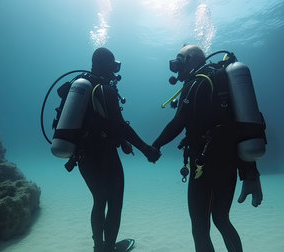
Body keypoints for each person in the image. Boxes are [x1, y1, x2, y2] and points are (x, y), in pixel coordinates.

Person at [152, 45, 263, 252]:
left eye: (179, 61)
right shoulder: (221, 81)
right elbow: (241, 126)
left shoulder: (197, 83)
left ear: (191, 60)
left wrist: (155, 146)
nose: (176, 68)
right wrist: (250, 172)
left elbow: (178, 123)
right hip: (228, 162)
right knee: (221, 219)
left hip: (205, 165)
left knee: (200, 228)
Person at [73, 47, 160, 252]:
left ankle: (99, 247)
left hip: (83, 157)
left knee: (99, 200)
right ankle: (109, 248)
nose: (115, 69)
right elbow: (120, 125)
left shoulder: (81, 86)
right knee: (114, 203)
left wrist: (122, 141)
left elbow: (102, 122)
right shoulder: (105, 89)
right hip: (105, 157)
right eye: (112, 64)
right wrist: (146, 148)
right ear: (104, 65)